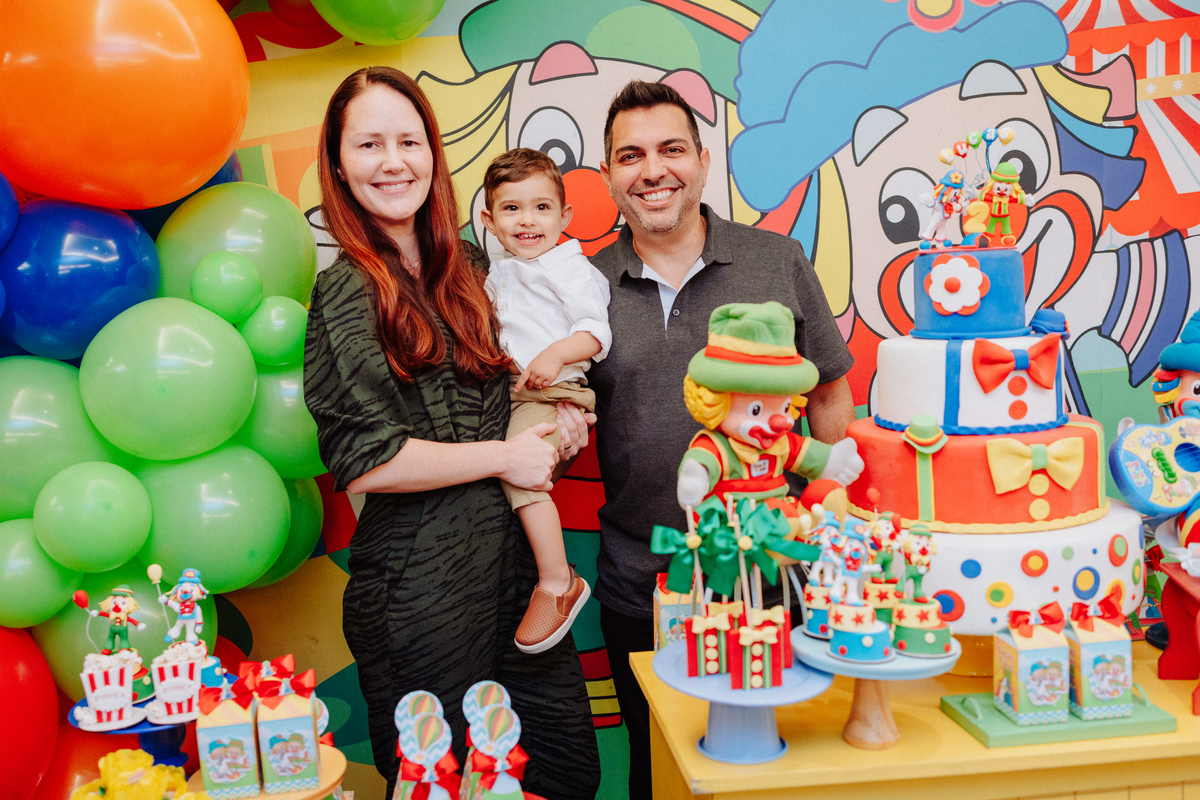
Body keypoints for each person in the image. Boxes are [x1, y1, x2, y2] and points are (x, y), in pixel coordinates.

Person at [303, 66, 600, 798]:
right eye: (369, 144)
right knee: (448, 780)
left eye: (408, 140)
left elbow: (544, 347)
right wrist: (507, 455)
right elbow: (367, 460)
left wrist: (562, 416)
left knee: (563, 773)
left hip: (514, 578)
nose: (393, 160)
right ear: (339, 164)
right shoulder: (348, 287)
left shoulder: (473, 264)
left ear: (434, 153)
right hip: (421, 590)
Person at [586, 79, 857, 798]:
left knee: (786, 770)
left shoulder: (777, 260)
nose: (653, 170)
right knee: (662, 771)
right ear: (609, 173)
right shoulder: (582, 287)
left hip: (778, 575)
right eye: (630, 155)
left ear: (703, 161)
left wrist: (836, 514)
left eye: (672, 149)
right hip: (643, 583)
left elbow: (829, 390)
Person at [479, 148, 611, 654]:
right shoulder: (499, 271)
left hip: (555, 391)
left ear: (565, 216)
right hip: (514, 394)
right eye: (512, 209)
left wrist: (557, 355)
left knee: (521, 469)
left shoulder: (569, 266)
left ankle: (558, 581)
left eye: (541, 208)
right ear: (490, 220)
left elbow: (596, 332)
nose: (528, 221)